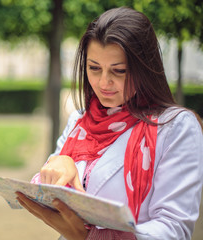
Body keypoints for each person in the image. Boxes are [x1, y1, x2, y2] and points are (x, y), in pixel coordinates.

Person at [15, 6, 203, 240]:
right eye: (94, 68)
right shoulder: (80, 120)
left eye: (120, 71)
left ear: (146, 69)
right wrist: (58, 163)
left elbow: (174, 228)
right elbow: (46, 189)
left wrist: (92, 236)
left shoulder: (176, 128)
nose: (104, 82)